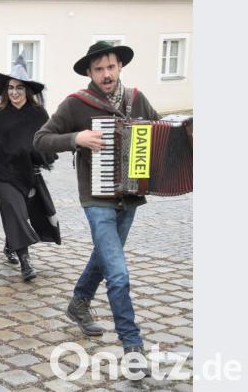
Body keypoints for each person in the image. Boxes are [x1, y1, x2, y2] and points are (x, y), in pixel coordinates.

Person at [33, 41, 159, 373]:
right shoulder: (77, 104)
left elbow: (160, 133)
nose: (106, 74)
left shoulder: (136, 99)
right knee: (118, 274)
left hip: (129, 197)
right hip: (96, 199)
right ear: (90, 72)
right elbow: (40, 139)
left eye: (111, 67)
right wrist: (76, 139)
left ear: (120, 67)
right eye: (99, 68)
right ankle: (133, 348)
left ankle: (79, 303)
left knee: (105, 256)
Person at [0, 56, 61, 282]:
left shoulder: (39, 114)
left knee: (24, 214)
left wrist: (39, 156)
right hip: (4, 175)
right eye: (10, 88)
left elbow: (48, 143)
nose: (14, 92)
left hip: (28, 174)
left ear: (27, 90)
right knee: (16, 211)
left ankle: (11, 245)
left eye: (19, 87)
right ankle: (25, 261)